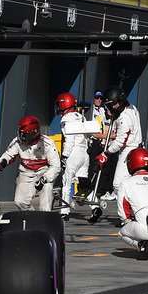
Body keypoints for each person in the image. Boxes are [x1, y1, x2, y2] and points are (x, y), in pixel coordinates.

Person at [0, 116, 60, 211]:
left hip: (43, 173)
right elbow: (9, 155)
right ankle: (33, 218)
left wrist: (45, 178)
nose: (20, 136)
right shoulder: (17, 142)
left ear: (33, 134)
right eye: (20, 133)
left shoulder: (48, 143)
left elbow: (56, 166)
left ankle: (45, 219)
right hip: (26, 174)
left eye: (24, 134)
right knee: (20, 202)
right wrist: (1, 163)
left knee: (46, 202)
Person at [96, 85, 142, 197]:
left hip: (129, 149)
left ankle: (125, 208)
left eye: (113, 104)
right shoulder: (132, 108)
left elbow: (121, 141)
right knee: (132, 179)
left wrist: (105, 153)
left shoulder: (124, 119)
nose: (112, 107)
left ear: (119, 102)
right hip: (137, 146)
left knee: (118, 183)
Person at [56, 92, 89, 221]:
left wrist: (64, 156)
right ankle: (95, 207)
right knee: (83, 184)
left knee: (66, 181)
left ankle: (64, 211)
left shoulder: (65, 119)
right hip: (84, 152)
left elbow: (69, 140)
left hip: (74, 153)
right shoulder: (81, 117)